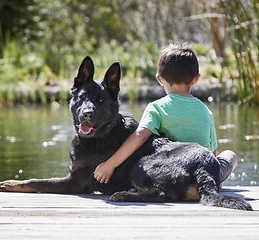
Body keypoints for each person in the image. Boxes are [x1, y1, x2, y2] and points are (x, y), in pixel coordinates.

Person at [93, 43, 238, 186]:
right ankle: (211, 183)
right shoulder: (206, 111)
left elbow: (139, 136)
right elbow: (211, 152)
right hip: (204, 175)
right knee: (230, 155)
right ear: (196, 79)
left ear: (159, 79)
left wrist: (109, 165)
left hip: (174, 174)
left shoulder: (157, 108)